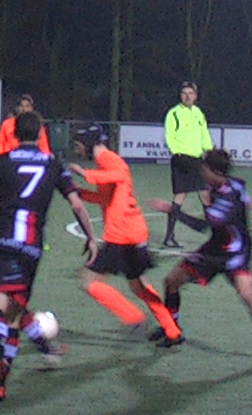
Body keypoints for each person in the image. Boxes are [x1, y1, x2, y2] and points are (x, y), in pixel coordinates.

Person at [0, 110, 96, 402]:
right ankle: (3, 377)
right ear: (41, 133)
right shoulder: (53, 164)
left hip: (2, 240)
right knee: (15, 314)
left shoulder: (2, 161)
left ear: (14, 133)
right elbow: (77, 204)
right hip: (31, 248)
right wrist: (91, 237)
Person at [148, 149, 252, 363]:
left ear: (216, 172)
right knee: (172, 281)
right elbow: (248, 201)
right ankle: (172, 330)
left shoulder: (226, 198)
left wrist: (171, 210)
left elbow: (203, 226)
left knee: (247, 293)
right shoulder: (234, 184)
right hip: (215, 248)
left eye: (205, 168)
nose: (202, 171)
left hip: (234, 252)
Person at [66, 122, 181, 342]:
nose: (78, 150)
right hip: (133, 231)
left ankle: (133, 317)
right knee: (137, 285)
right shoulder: (104, 163)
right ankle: (172, 330)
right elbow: (106, 197)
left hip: (121, 233)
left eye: (78, 145)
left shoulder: (108, 159)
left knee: (89, 281)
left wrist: (85, 174)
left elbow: (120, 173)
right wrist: (78, 192)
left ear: (88, 143)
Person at [163, 81, 213, 248]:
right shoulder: (174, 113)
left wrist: (210, 151)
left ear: (195, 96)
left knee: (205, 195)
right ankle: (169, 237)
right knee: (180, 196)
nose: (187, 96)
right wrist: (175, 153)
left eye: (190, 93)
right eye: (184, 93)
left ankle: (216, 234)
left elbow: (204, 133)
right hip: (182, 159)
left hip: (197, 160)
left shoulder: (198, 113)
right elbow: (169, 135)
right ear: (180, 96)